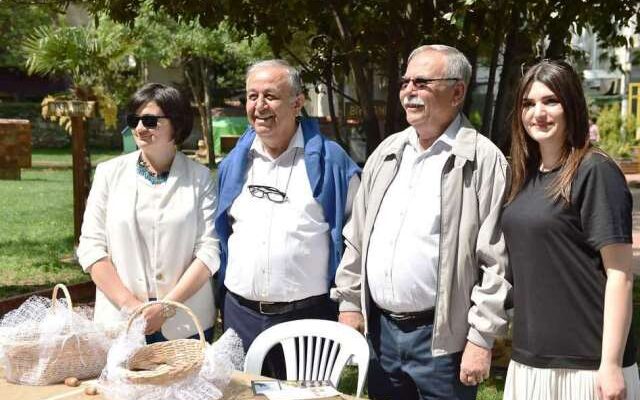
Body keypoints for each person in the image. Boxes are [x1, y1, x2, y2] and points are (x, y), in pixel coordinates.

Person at [332, 44, 511, 399]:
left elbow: (498, 261)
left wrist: (481, 337)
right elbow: (357, 236)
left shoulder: (483, 160)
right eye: (405, 82)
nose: (409, 91)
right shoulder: (387, 152)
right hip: (382, 334)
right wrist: (350, 302)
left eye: (422, 82)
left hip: (443, 341)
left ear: (457, 92)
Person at [502, 60, 638, 400]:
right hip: (530, 360)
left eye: (551, 101)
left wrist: (610, 364)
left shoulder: (595, 171)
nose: (539, 113)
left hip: (586, 366)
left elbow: (620, 275)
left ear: (571, 105)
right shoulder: (525, 176)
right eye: (528, 104)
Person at [214, 59, 360, 377]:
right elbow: (221, 235)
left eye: (270, 96)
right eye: (252, 96)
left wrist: (350, 304)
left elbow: (357, 240)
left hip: (307, 319)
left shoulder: (332, 163)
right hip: (240, 317)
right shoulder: (234, 164)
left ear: (297, 103)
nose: (259, 106)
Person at [77, 83, 219, 343]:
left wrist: (166, 307)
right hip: (121, 324)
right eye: (135, 120)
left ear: (176, 124)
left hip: (185, 324)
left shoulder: (200, 179)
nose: (141, 128)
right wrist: (131, 307)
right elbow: (91, 247)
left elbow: (209, 251)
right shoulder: (108, 174)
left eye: (151, 120)